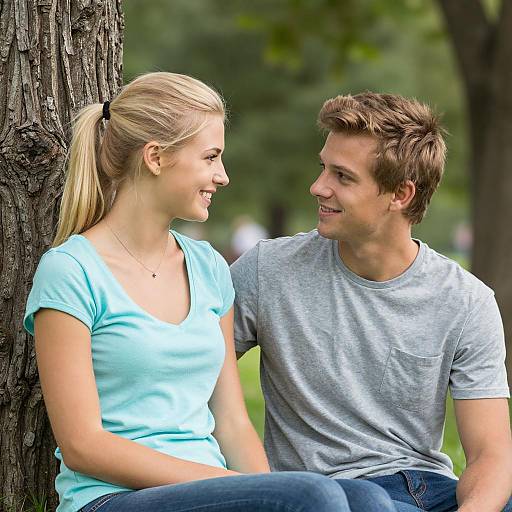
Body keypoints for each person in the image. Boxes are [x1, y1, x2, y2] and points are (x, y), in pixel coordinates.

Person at [23, 73, 399, 512]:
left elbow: (233, 422)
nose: (222, 176)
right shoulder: (71, 271)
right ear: (156, 158)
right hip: (112, 499)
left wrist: (263, 493)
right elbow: (83, 446)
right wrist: (232, 483)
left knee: (369, 498)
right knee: (312, 495)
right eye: (211, 157)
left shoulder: (207, 268)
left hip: (211, 491)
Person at [231, 92, 512, 512]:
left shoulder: (466, 301)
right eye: (323, 167)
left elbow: (492, 454)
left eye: (342, 177)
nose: (318, 186)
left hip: (433, 490)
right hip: (333, 495)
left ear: (400, 194)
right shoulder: (267, 271)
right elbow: (190, 378)